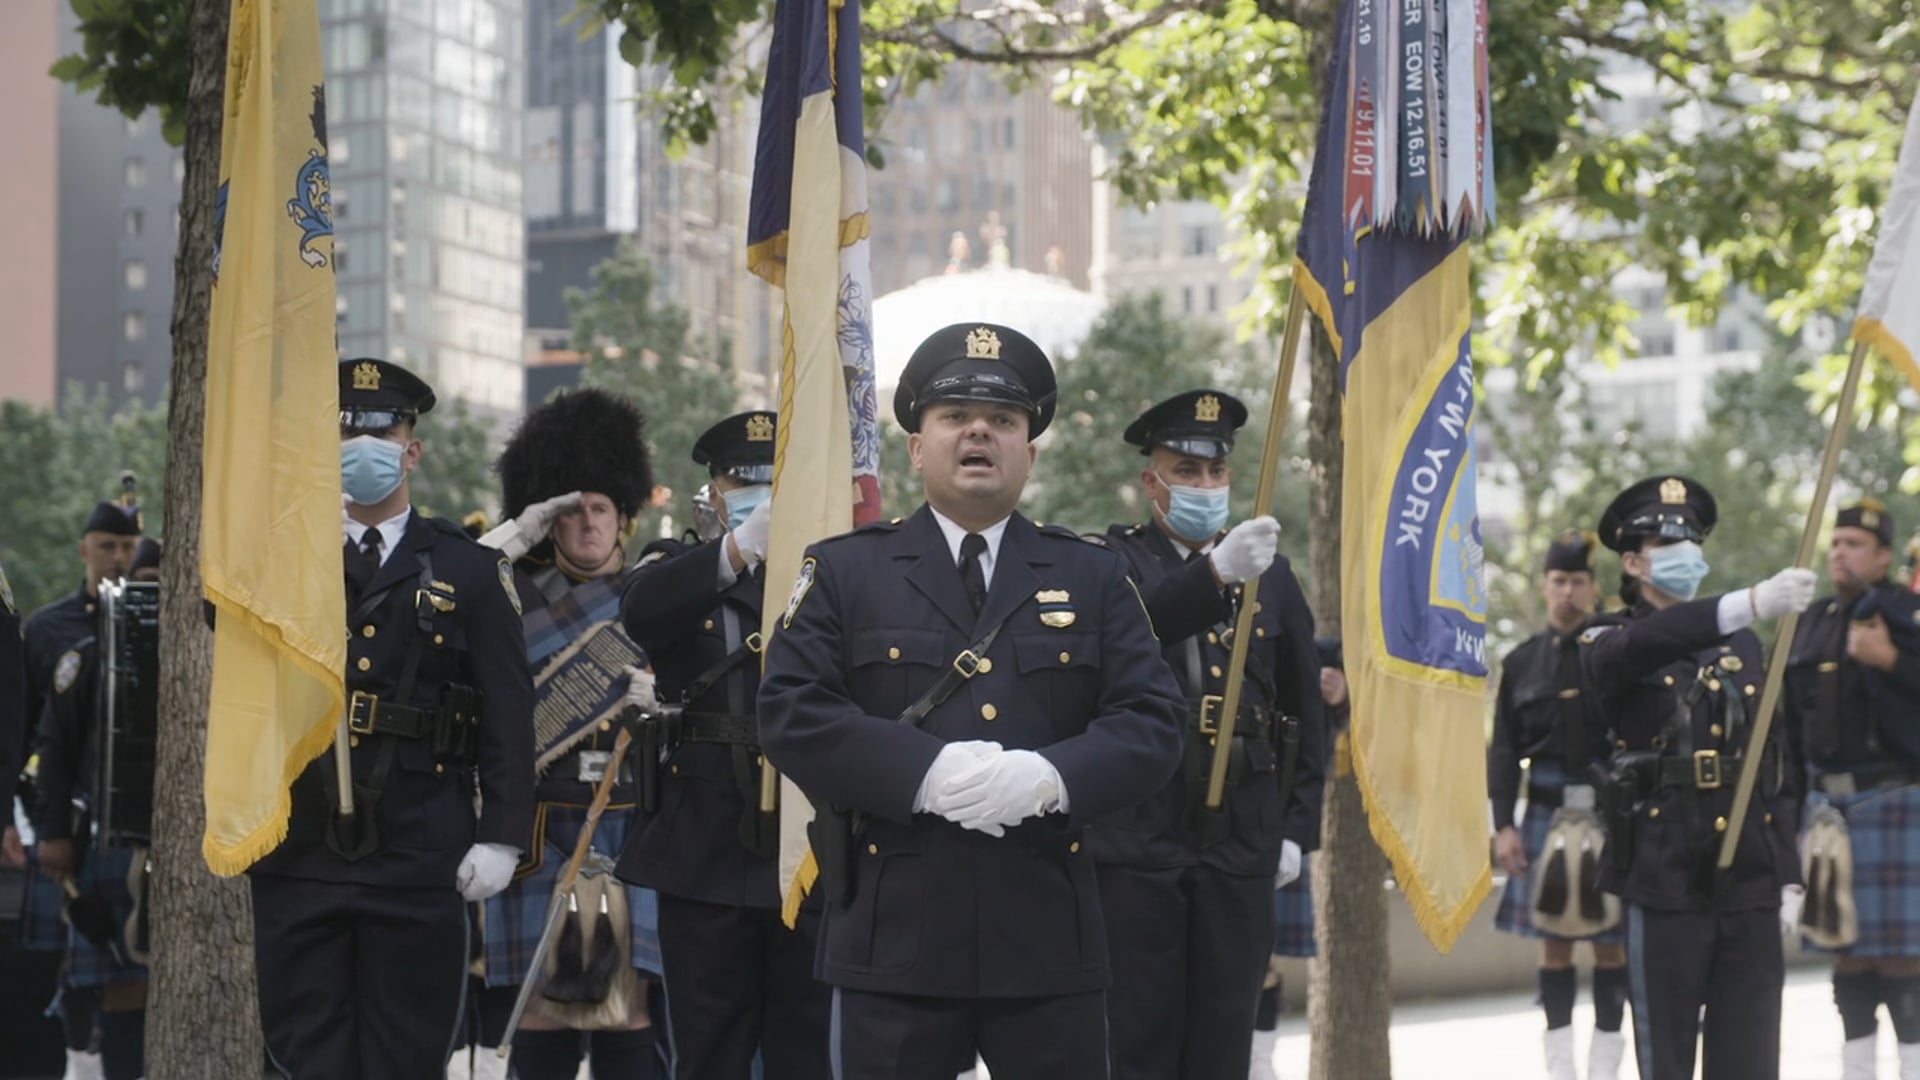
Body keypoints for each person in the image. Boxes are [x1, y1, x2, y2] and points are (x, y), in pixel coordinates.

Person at [758, 321, 1186, 1079]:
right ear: (918, 446)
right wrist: (924, 773)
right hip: (897, 939)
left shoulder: (1091, 576)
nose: (978, 433)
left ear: (1031, 450)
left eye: (1003, 422)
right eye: (954, 417)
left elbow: (1153, 723)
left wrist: (1052, 779)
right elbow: (792, 710)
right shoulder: (847, 571)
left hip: (1048, 935)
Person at [247, 358, 535, 1079]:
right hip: (302, 845)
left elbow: (508, 711)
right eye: (345, 431)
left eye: (383, 430)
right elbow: (221, 629)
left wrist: (502, 836)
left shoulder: (467, 569)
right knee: (305, 1051)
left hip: (420, 848)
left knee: (407, 1053)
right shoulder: (283, 558)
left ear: (412, 448)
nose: (364, 444)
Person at [1087, 389, 1328, 1080]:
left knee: (1225, 1035)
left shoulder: (1271, 574)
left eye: (1216, 472)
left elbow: (1303, 707)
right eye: (1185, 472)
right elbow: (1127, 633)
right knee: (1138, 1034)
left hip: (1241, 830)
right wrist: (1215, 574)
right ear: (1150, 481)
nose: (1204, 485)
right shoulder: (1113, 564)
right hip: (1141, 831)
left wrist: (1295, 829)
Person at [615, 409, 833, 1080]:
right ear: (714, 493)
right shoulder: (683, 568)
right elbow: (641, 611)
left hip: (807, 846)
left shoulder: (834, 571)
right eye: (744, 479)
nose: (760, 490)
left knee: (808, 1052)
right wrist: (739, 550)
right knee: (709, 1052)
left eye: (776, 479)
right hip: (704, 846)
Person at [1578, 474, 1814, 1080]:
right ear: (1632, 561)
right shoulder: (1607, 637)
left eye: (1691, 542)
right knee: (1669, 1058)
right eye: (1665, 544)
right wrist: (1751, 601)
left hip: (1750, 876)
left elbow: (1776, 760)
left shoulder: (1742, 644)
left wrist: (1788, 873)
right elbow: (1649, 645)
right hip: (1664, 876)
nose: (1685, 556)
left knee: (1751, 1057)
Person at [467, 387, 666, 1079]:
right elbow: (446, 588)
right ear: (550, 520)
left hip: (627, 824)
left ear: (624, 519)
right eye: (573, 510)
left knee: (628, 1006)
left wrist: (662, 708)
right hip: (541, 826)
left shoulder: (657, 597)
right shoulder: (504, 599)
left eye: (601, 510)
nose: (587, 524)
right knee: (544, 1008)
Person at [1783, 498, 1920, 1079]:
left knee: (1902, 959)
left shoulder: (1905, 612)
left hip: (1894, 798)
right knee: (1848, 951)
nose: (1840, 552)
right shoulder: (1809, 621)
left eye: (1855, 544)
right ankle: (1856, 1069)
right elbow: (1787, 728)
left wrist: (1892, 660)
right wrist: (1786, 818)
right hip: (1824, 807)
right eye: (1836, 542)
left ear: (1885, 555)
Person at [1488, 529, 1630, 1080]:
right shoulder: (1522, 663)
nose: (1567, 591)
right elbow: (1503, 751)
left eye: (1577, 581)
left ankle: (1605, 1068)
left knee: (1611, 947)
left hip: (1608, 812)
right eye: (1558, 581)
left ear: (1594, 588)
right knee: (1554, 947)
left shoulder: (1618, 651)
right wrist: (1503, 825)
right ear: (1544, 586)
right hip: (1545, 812)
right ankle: (1561, 1068)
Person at [17, 495, 141, 1079]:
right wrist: (36, 823)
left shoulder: (157, 621)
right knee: (78, 967)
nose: (118, 557)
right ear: (84, 549)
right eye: (108, 546)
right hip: (68, 814)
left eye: (128, 547)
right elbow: (28, 736)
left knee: (126, 969)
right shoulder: (47, 629)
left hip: (132, 823)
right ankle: (76, 1064)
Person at [1250, 637, 1345, 1080]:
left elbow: (1316, 740)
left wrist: (1340, 699)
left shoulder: (1309, 647)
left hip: (1272, 810)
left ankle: (1259, 1065)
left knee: (1260, 957)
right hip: (1193, 809)